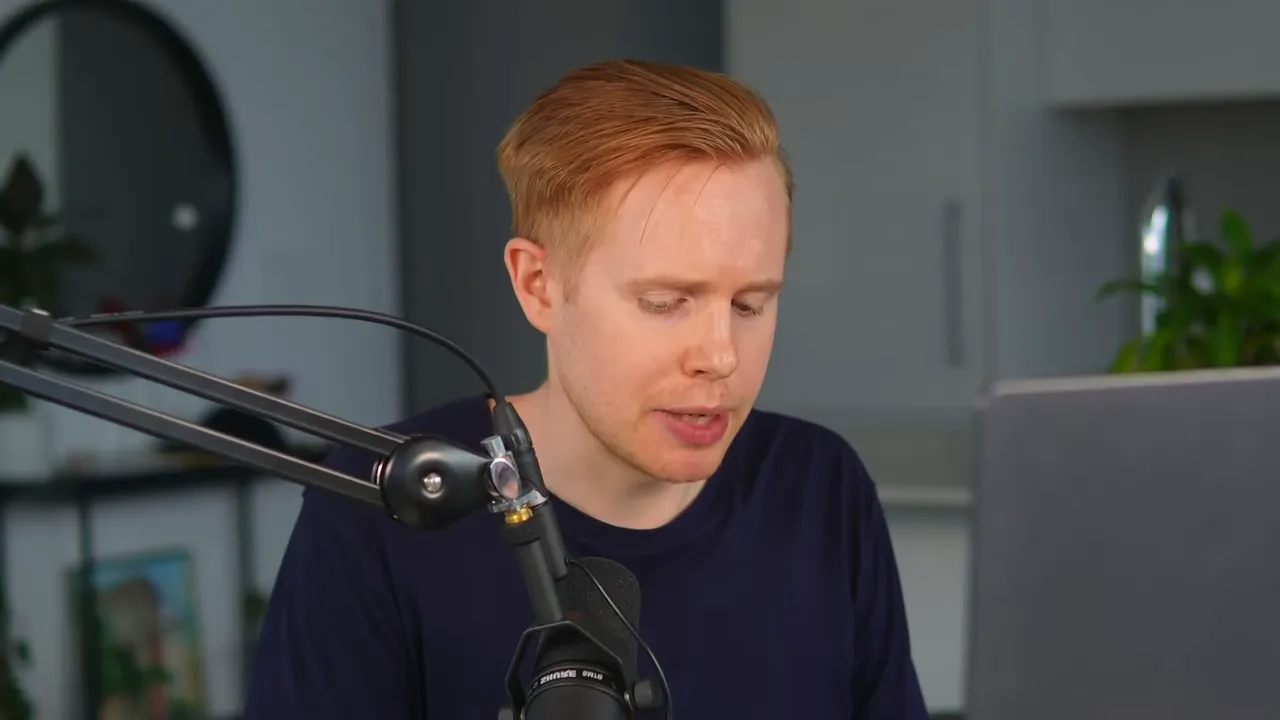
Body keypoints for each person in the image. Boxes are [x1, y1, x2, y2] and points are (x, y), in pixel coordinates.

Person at [244, 59, 929, 719]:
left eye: (751, 304)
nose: (720, 357)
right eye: (666, 302)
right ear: (538, 285)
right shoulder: (382, 509)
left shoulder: (819, 487)